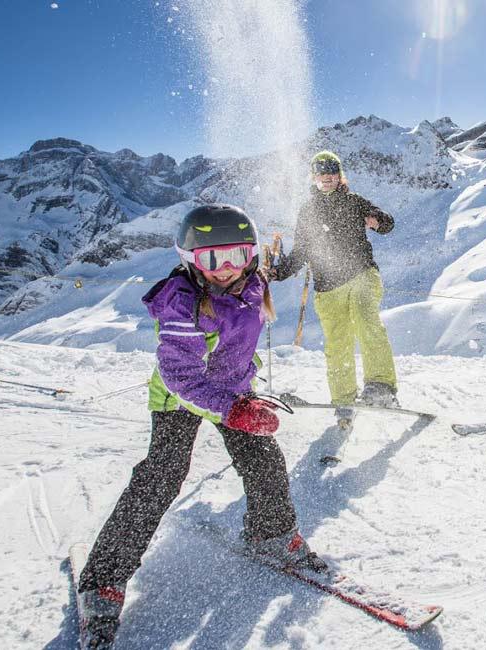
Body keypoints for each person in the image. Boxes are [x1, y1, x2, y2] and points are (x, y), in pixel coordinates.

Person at [76, 204, 326, 648]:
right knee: (163, 474)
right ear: (190, 258)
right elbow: (181, 376)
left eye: (236, 256)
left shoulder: (253, 282)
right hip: (179, 397)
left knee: (263, 455)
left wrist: (244, 393)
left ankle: (271, 533)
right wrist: (232, 410)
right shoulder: (182, 302)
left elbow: (238, 343)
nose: (225, 270)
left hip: (231, 390)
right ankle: (103, 581)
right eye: (212, 259)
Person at [274, 151, 399, 414]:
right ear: (314, 177)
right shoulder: (308, 211)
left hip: (361, 275)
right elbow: (300, 252)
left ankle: (381, 386)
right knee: (337, 343)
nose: (327, 177)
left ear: (339, 174)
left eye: (332, 171)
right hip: (328, 288)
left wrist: (378, 220)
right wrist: (279, 271)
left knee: (366, 320)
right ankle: (343, 398)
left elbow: (387, 223)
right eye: (321, 172)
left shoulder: (354, 201)